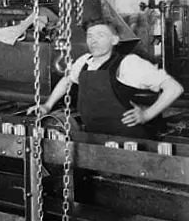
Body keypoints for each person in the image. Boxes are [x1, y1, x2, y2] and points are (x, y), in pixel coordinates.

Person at [27, 19, 183, 139]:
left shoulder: (129, 63)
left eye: (100, 35)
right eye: (90, 36)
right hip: (95, 139)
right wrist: (47, 106)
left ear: (114, 40)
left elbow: (175, 88)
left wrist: (147, 115)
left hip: (130, 143)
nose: (93, 41)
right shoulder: (84, 61)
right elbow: (67, 80)